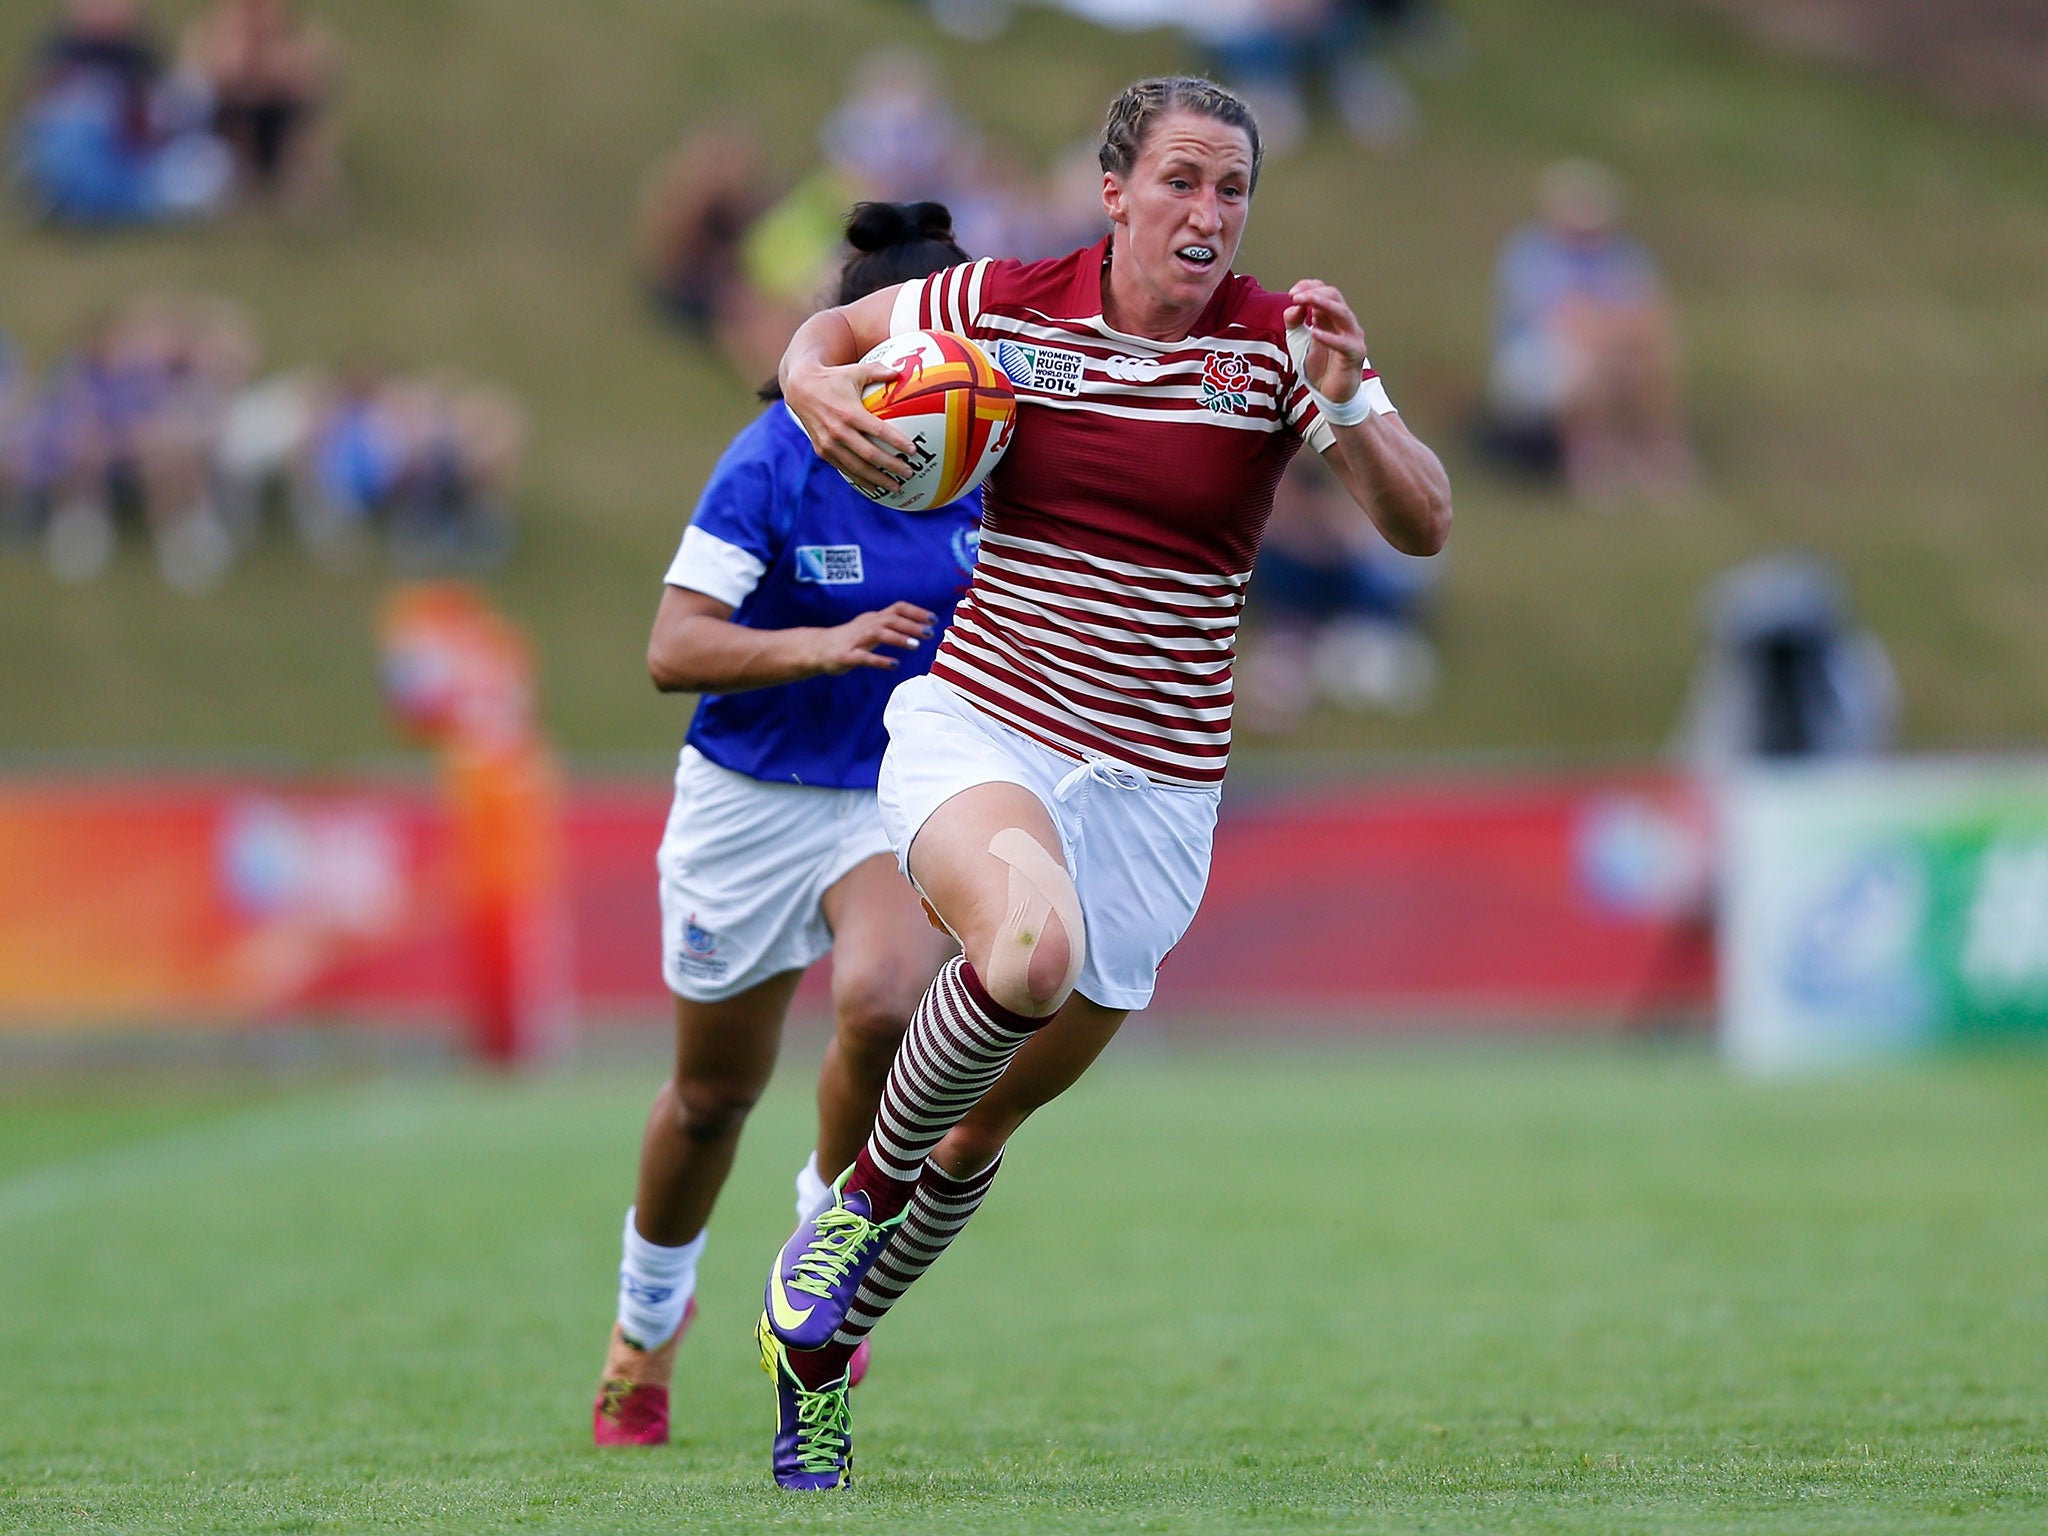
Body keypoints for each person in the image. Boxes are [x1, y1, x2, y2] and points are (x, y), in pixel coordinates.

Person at [751, 74, 1451, 1490]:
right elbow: (830, 328)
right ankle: (842, 1216)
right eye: (1182, 181)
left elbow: (1422, 522)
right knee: (1027, 947)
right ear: (1115, 190)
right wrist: (815, 380)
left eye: (1233, 189)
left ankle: (817, 1358)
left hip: (1159, 791)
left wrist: (1354, 397)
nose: (1209, 212)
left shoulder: (1273, 349)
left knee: (985, 1125)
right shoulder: (1009, 301)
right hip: (987, 727)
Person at [589, 201, 989, 1450]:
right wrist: (817, 645)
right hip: (748, 798)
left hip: (890, 795)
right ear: (871, 343)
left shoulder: (998, 462)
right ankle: (643, 1328)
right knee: (711, 1098)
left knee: (881, 1004)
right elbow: (670, 649)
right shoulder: (775, 452)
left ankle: (821, 1272)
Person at [1484, 159, 1694, 506]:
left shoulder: (1622, 255)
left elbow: (1650, 313)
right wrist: (1615, 331)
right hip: (1533, 360)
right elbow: (1561, 319)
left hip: (1610, 350)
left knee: (1649, 354)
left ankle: (1654, 448)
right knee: (1590, 357)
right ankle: (1593, 454)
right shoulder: (1531, 253)